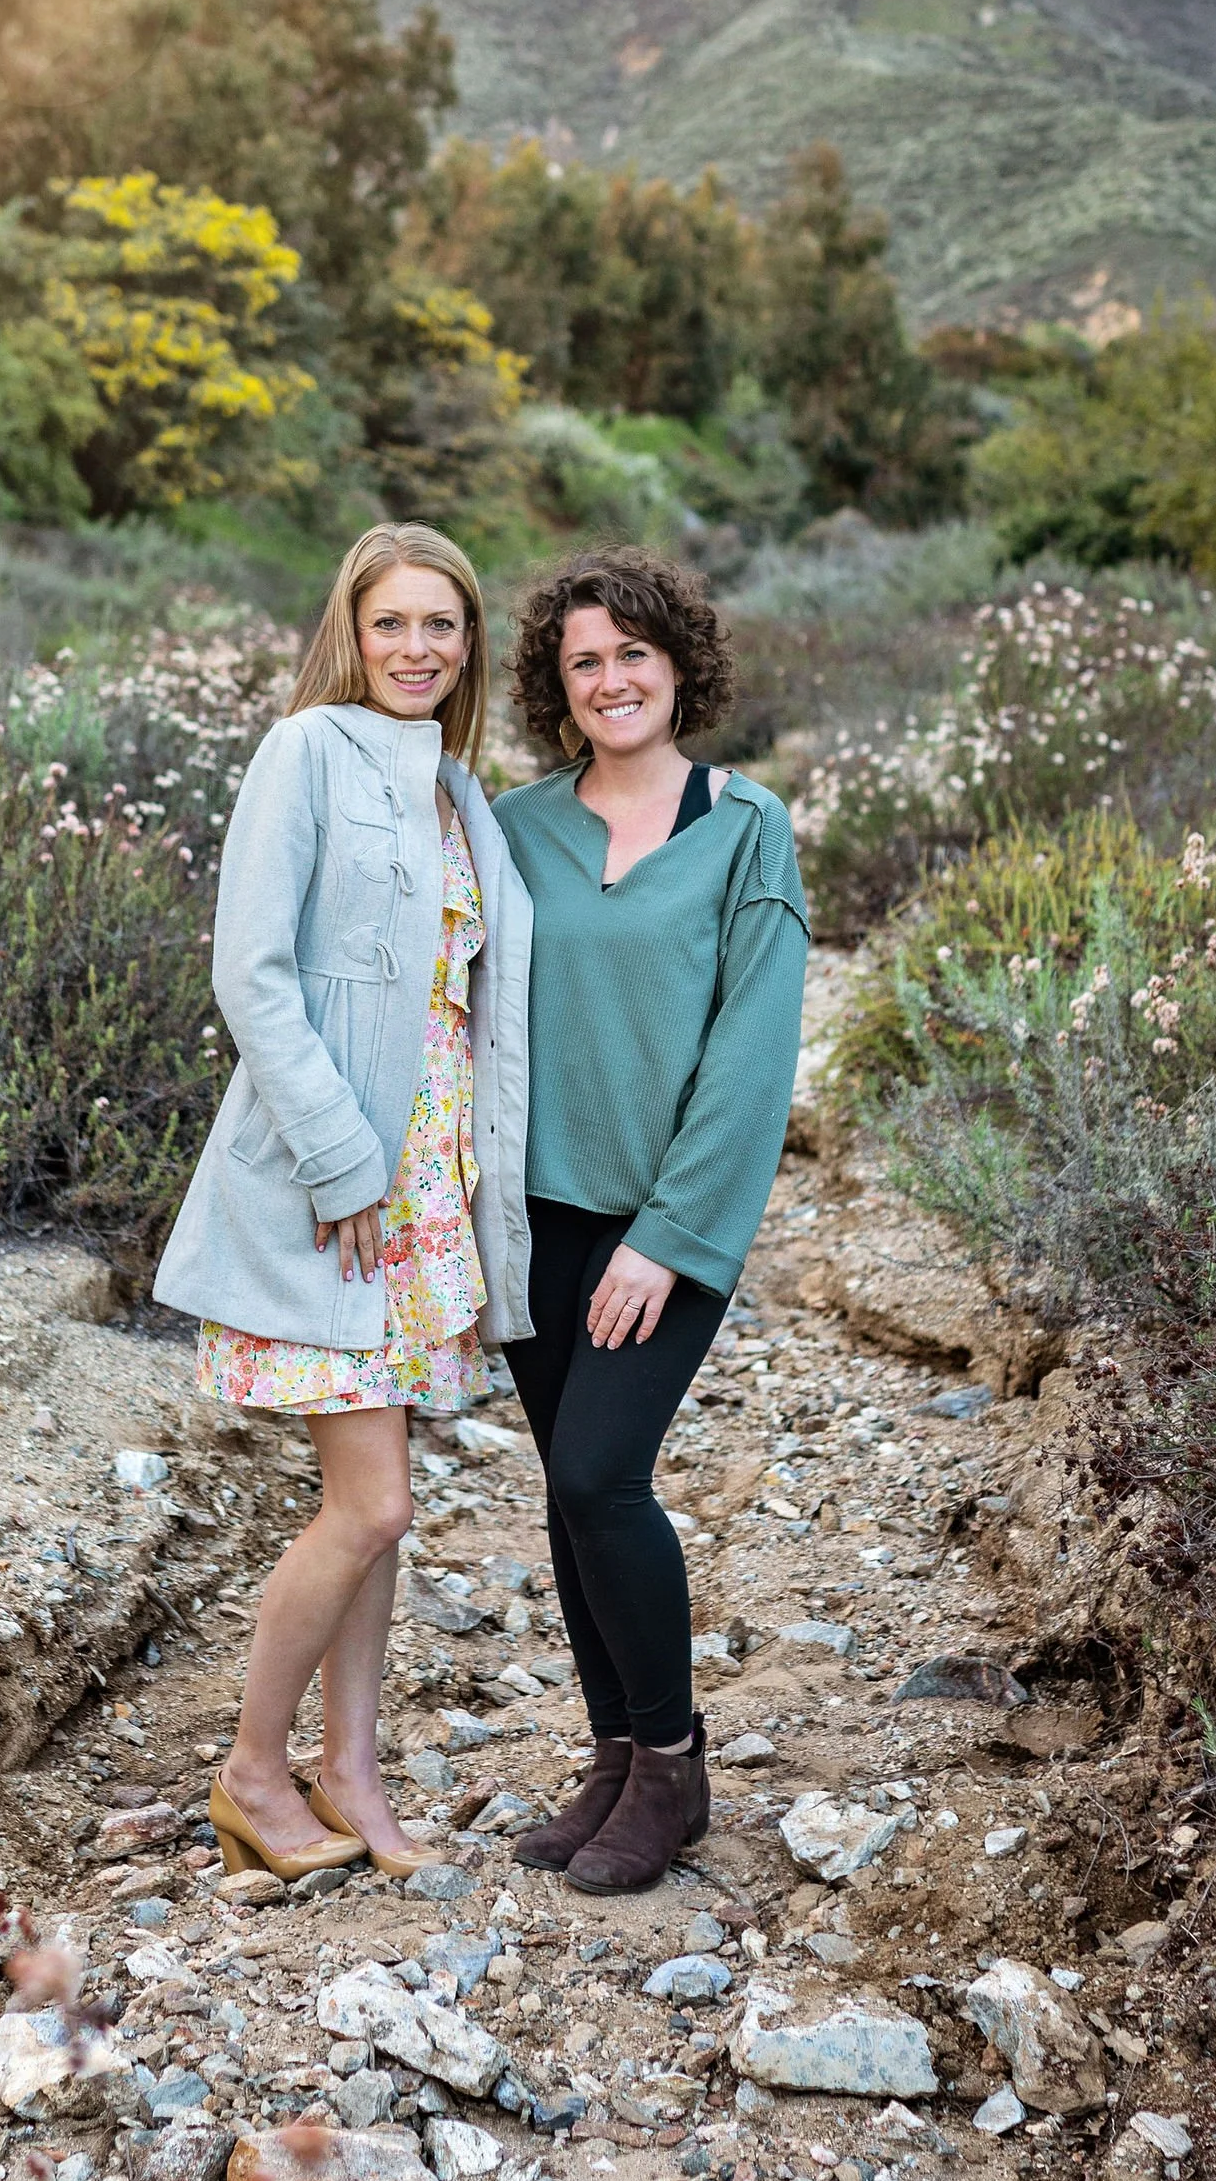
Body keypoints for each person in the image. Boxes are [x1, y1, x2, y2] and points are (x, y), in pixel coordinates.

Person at [154, 523, 532, 1883]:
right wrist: (340, 1160)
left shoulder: (457, 794)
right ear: (350, 633)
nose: (419, 648)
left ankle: (353, 1775)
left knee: (388, 1502)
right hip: (343, 1189)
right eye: (394, 624)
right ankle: (255, 1771)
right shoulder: (306, 751)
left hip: (424, 1190)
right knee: (368, 1508)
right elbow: (251, 974)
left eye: (444, 625)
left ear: (470, 641)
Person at [492, 548, 808, 1892]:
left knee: (599, 1476)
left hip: (659, 1225)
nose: (611, 677)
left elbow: (752, 1056)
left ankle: (674, 1769)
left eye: (633, 652)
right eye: (585, 661)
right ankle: (615, 1758)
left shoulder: (745, 826)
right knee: (568, 1498)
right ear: (557, 690)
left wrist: (669, 1236)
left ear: (678, 665)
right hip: (530, 1218)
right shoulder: (514, 827)